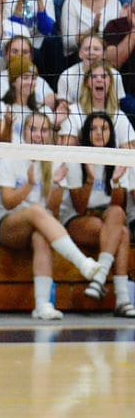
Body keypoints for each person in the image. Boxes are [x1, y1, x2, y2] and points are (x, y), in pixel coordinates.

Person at [0, 111, 110, 319]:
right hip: (8, 225)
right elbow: (8, 202)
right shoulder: (11, 156)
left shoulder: (54, 160)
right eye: (33, 129)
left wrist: (56, 185)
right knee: (37, 211)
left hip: (39, 224)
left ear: (50, 134)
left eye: (44, 130)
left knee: (42, 236)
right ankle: (83, 263)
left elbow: (54, 212)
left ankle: (42, 305)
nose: (38, 135)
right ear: (24, 132)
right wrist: (30, 185)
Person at [65, 112, 134, 316]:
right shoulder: (77, 159)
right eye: (93, 128)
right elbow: (80, 207)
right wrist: (91, 179)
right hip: (78, 218)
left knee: (119, 220)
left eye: (103, 129)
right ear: (86, 133)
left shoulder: (116, 159)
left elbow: (119, 206)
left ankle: (99, 278)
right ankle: (122, 298)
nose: (98, 133)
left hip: (107, 218)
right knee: (121, 233)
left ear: (111, 133)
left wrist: (117, 182)